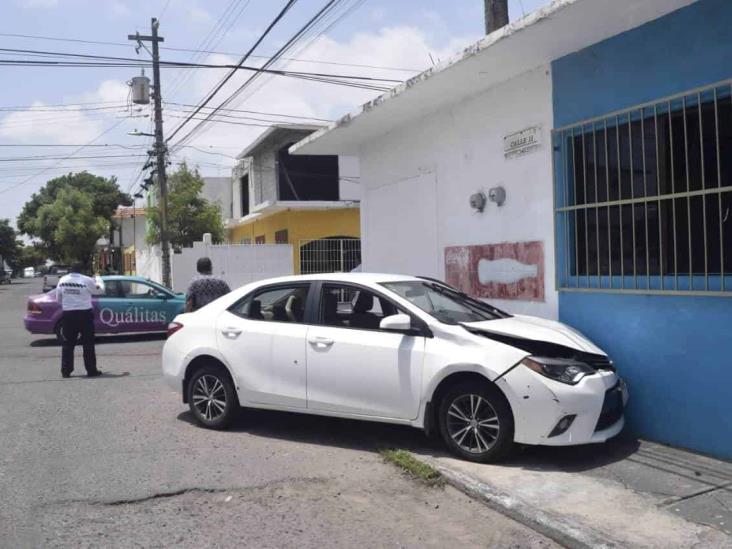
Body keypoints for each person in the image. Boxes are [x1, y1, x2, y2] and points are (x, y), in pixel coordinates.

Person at [55, 264, 105, 378]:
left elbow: (58, 299)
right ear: (82, 271)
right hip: (84, 314)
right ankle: (91, 370)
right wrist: (98, 279)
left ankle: (66, 371)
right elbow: (100, 291)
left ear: (70, 271)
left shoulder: (62, 280)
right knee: (88, 343)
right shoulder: (86, 280)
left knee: (67, 344)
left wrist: (69, 303)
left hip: (68, 315)